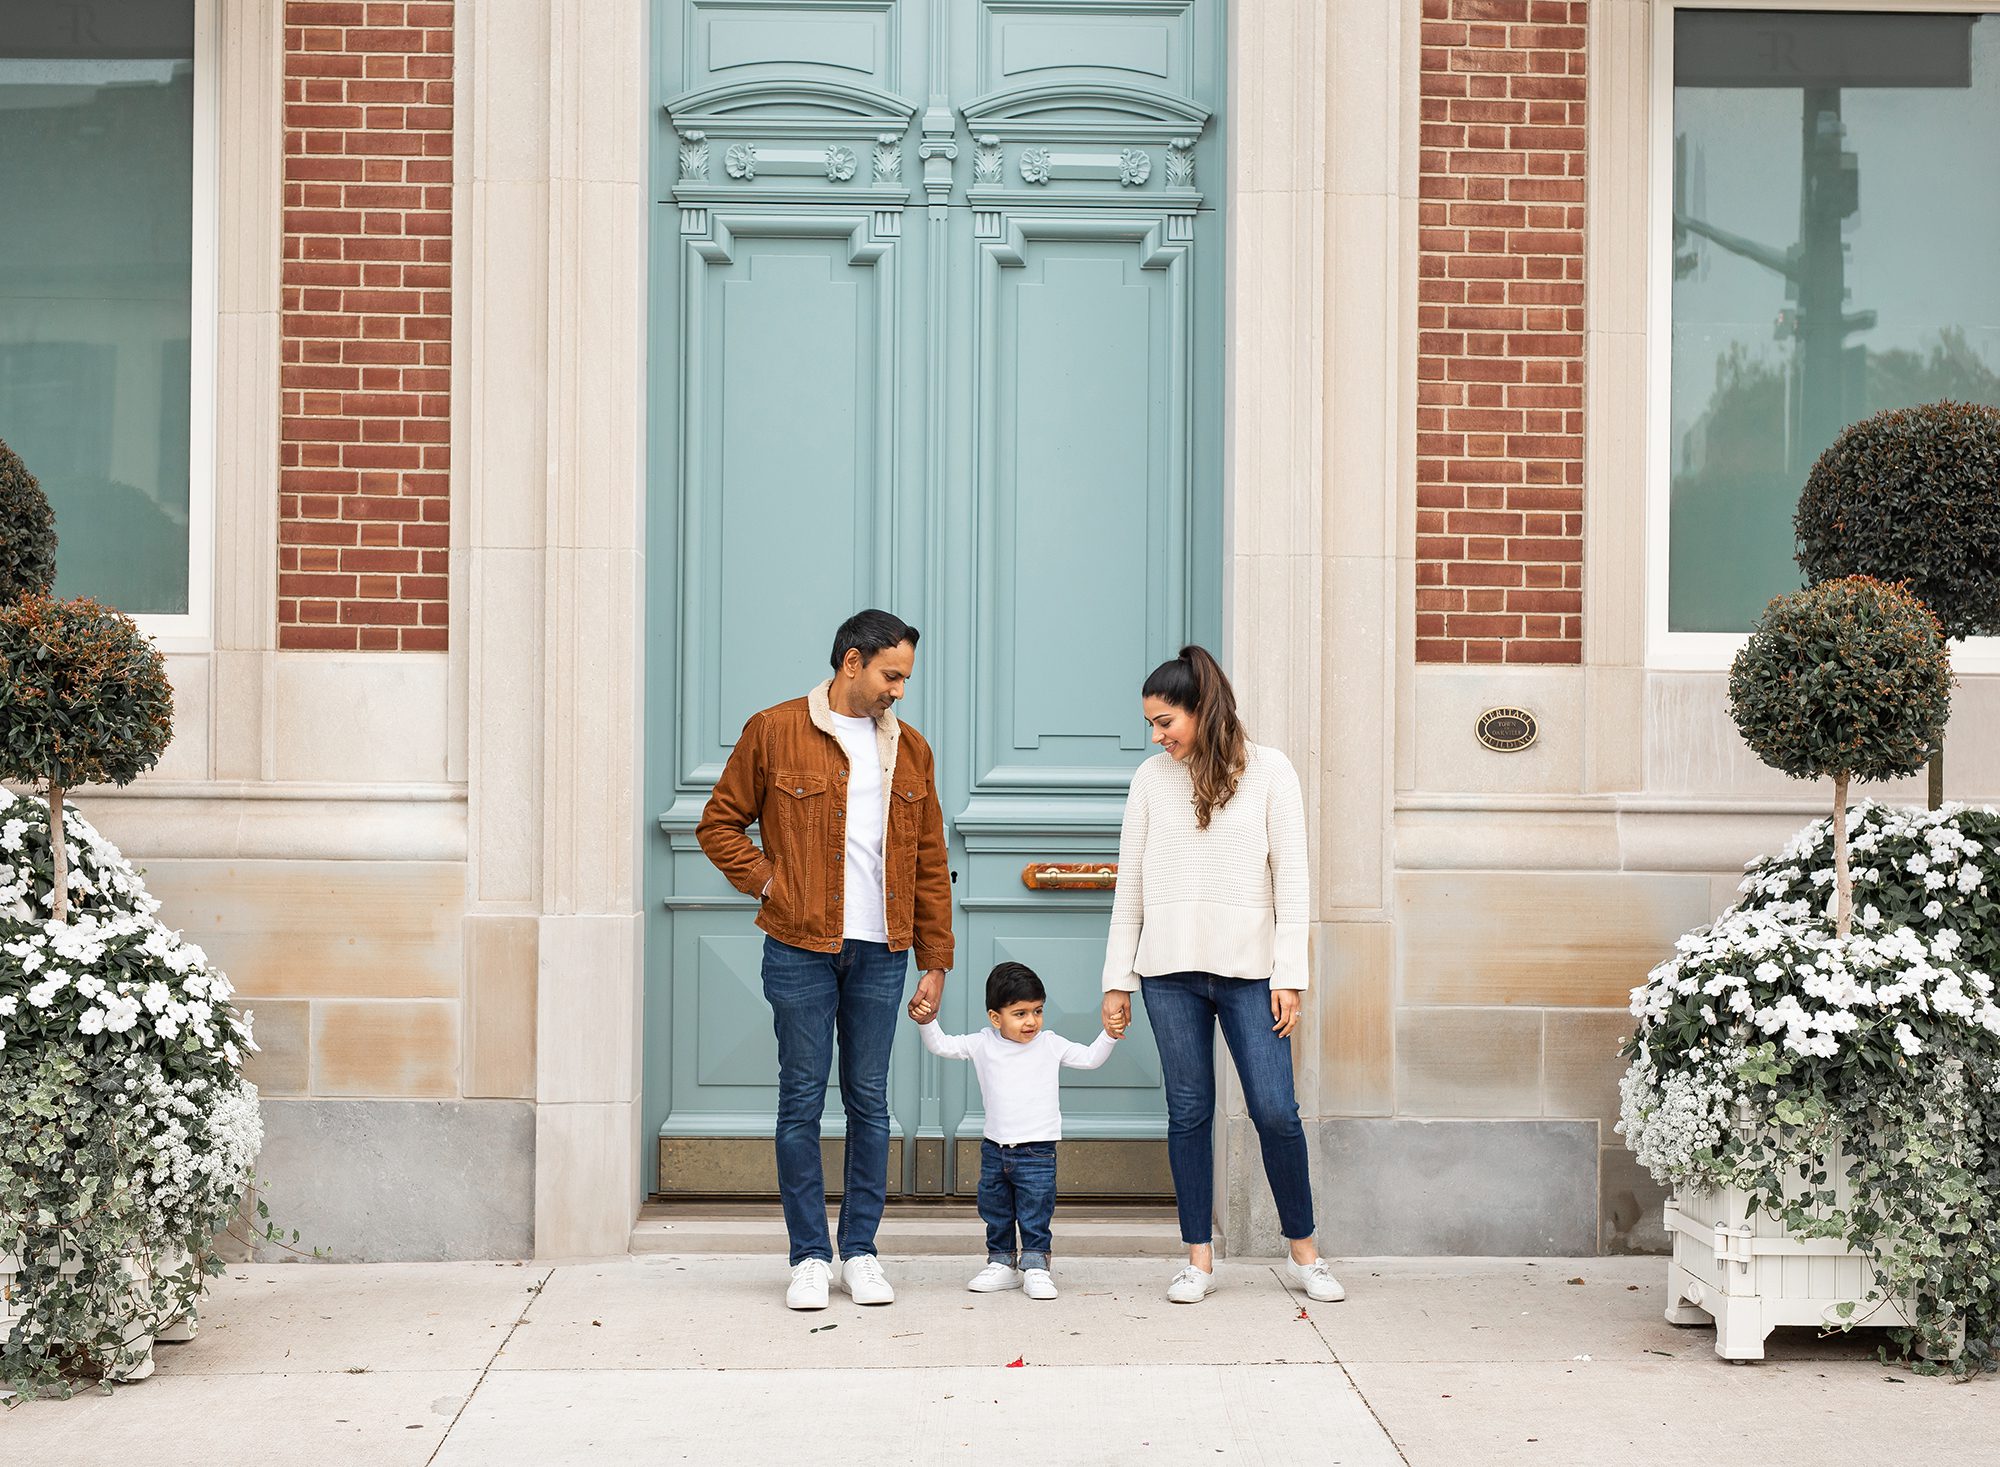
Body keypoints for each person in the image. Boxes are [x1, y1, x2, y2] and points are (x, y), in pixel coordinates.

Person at [696, 609, 954, 1311]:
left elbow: (930, 859)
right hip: (798, 947)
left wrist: (935, 957)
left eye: (904, 676)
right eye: (890, 674)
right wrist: (770, 880)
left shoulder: (913, 750)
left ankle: (862, 1250)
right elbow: (718, 823)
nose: (899, 688)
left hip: (882, 950)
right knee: (801, 1100)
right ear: (851, 663)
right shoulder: (775, 730)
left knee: (870, 1101)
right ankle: (809, 1254)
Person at [1099, 645, 1344, 1306]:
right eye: (1151, 723)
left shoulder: (1271, 771)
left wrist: (1289, 973)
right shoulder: (1151, 779)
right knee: (1188, 1111)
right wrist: (1116, 979)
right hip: (1168, 975)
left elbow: (1292, 881)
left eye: (1164, 720)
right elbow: (1132, 888)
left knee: (1274, 1110)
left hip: (1250, 974)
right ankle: (1198, 1260)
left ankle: (1305, 1254)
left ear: (1201, 709)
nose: (1156, 736)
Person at [913, 961, 1116, 1300]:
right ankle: (1002, 1263)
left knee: (1035, 1209)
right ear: (996, 1017)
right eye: (1020, 1013)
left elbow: (1090, 1058)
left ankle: (1036, 1265)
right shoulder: (983, 1043)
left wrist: (1108, 1033)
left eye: (1037, 1011)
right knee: (995, 1209)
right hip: (995, 1148)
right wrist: (927, 1021)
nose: (1031, 1021)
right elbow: (942, 1046)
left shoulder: (1049, 1043)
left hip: (1037, 1150)